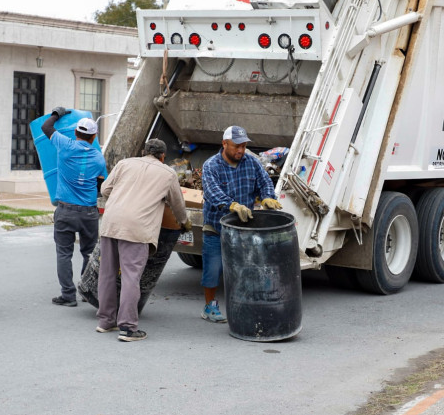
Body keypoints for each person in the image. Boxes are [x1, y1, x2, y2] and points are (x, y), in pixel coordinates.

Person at [97, 139, 191, 342]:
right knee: (131, 276)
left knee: (107, 273)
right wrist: (184, 222)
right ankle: (128, 328)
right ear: (163, 156)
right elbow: (177, 204)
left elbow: (105, 190)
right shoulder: (167, 173)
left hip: (111, 223)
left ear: (143, 152)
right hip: (136, 229)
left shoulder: (124, 164)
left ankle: (106, 321)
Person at [200, 125, 282, 322]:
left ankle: (246, 304)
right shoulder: (211, 166)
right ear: (224, 144)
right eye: (236, 146)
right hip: (216, 227)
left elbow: (264, 182)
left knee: (248, 268)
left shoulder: (251, 163)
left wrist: (266, 197)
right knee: (213, 268)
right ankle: (209, 307)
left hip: (244, 228)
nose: (240, 151)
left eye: (244, 146)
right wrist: (232, 205)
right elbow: (211, 192)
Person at [42, 107, 107, 307]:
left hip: (66, 210)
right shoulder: (98, 158)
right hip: (88, 212)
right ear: (94, 136)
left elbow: (46, 127)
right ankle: (86, 290)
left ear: (76, 132)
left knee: (64, 253)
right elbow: (100, 184)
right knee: (88, 253)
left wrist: (56, 113)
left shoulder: (65, 145)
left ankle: (68, 295)